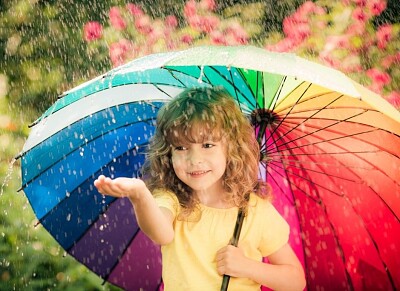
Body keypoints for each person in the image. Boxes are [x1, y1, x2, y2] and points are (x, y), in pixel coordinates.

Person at [94, 87, 306, 290]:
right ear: (168, 153)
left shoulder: (254, 211)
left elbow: (295, 281)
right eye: (181, 147)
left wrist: (248, 267)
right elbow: (161, 234)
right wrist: (139, 195)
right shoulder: (172, 199)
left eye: (207, 145)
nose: (194, 160)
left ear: (231, 149)